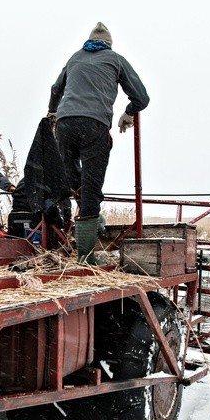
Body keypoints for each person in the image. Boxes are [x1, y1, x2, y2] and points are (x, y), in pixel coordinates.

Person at [47, 22, 149, 263]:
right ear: (109, 44)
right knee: (91, 183)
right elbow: (141, 97)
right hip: (95, 125)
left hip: (65, 122)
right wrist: (129, 112)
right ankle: (86, 257)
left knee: (70, 175)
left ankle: (90, 216)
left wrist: (53, 113)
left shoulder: (74, 58)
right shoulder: (115, 59)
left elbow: (55, 88)